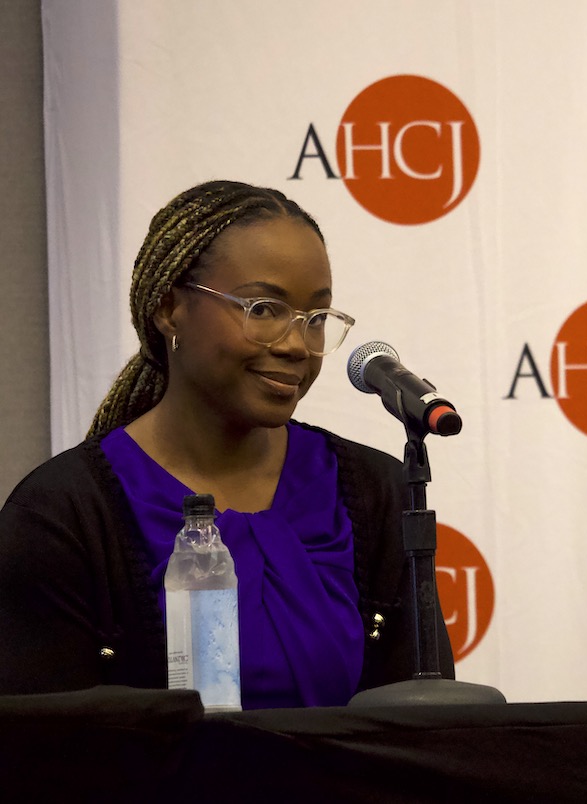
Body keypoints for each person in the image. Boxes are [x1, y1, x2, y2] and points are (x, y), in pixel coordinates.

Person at [0, 180, 454, 706]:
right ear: (170, 309)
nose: (295, 345)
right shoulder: (63, 515)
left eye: (316, 318)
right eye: (263, 309)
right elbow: (44, 758)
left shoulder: (376, 493)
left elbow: (423, 733)